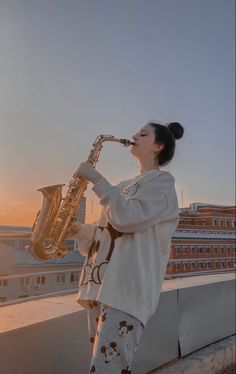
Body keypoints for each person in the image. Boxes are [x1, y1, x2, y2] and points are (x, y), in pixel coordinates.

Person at [67, 121, 184, 374]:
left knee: (107, 369)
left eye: (143, 134)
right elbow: (106, 233)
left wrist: (96, 180)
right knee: (103, 368)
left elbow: (129, 219)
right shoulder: (123, 186)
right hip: (100, 287)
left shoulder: (162, 183)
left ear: (159, 146)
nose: (134, 136)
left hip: (126, 290)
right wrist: (77, 230)